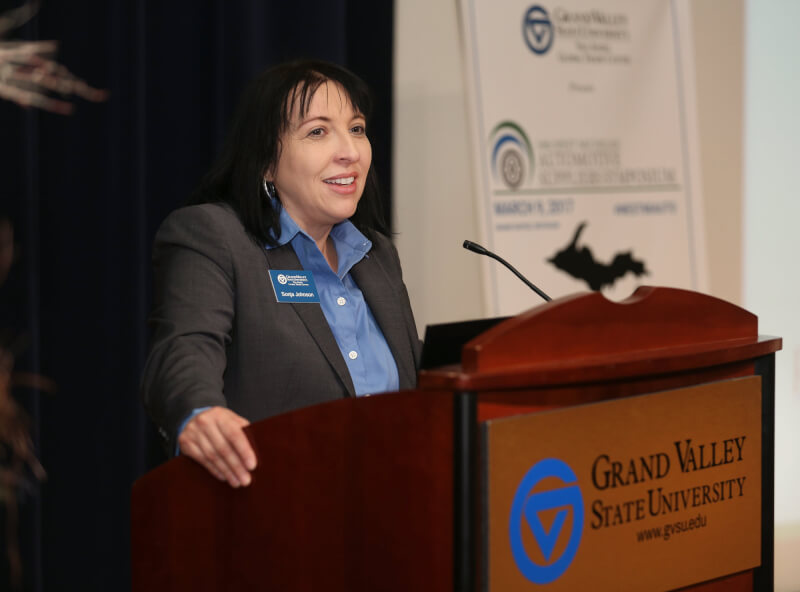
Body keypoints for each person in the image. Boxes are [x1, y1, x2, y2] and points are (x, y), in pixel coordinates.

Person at [140, 60, 421, 489]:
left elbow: (415, 380)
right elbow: (184, 348)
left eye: (357, 128)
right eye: (318, 131)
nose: (350, 150)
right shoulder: (216, 238)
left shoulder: (376, 256)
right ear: (266, 162)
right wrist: (198, 412)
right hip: (275, 518)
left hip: (390, 510)